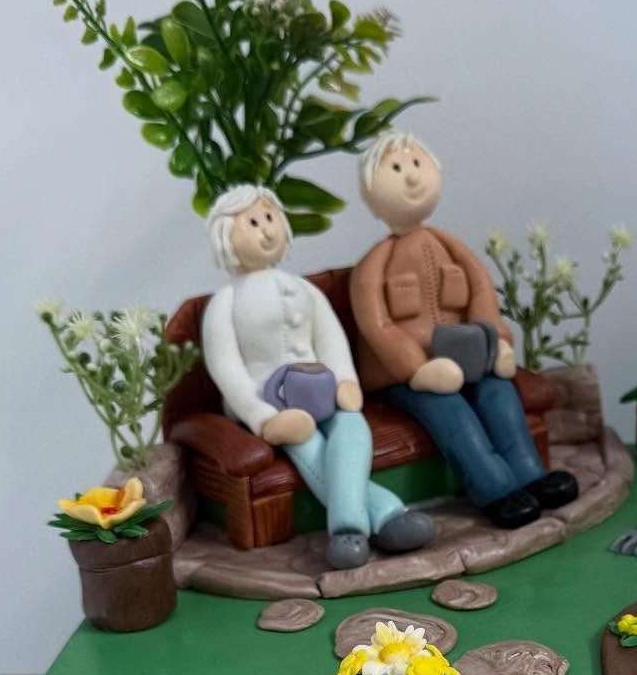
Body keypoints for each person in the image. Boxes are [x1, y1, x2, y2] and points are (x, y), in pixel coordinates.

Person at [348, 134, 579, 529]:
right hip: (406, 377)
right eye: (398, 170)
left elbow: (481, 296)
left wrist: (499, 344)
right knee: (448, 407)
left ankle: (529, 474)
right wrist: (417, 369)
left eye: (417, 165)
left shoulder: (452, 248)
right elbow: (378, 326)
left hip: (469, 359)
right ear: (369, 191)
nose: (411, 178)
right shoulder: (373, 265)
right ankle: (493, 488)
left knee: (497, 392)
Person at [201, 186, 433, 569]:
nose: (267, 230)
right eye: (253, 222)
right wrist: (262, 417)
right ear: (226, 235)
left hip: (322, 390)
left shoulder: (304, 289)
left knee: (353, 431)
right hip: (274, 404)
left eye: (270, 218)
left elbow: (330, 339)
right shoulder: (223, 303)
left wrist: (345, 380)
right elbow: (227, 370)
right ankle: (369, 523)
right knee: (310, 448)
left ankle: (362, 524)